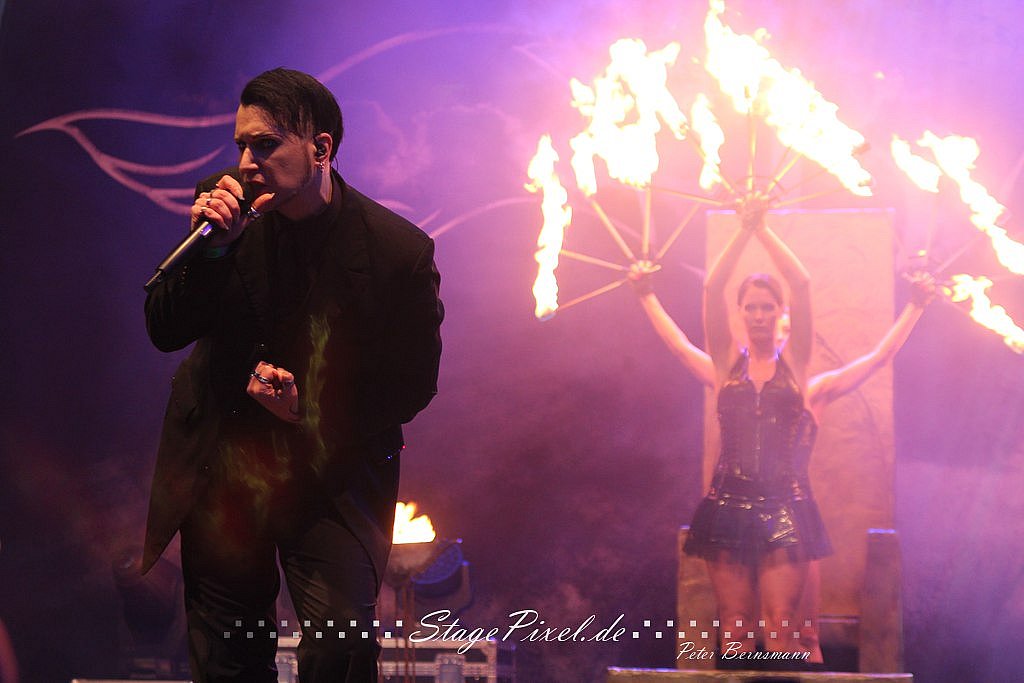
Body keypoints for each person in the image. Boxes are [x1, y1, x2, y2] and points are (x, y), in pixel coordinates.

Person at [142, 68, 443, 683]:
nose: (246, 163)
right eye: (241, 145)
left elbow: (414, 382)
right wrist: (215, 250)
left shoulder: (395, 250)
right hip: (227, 467)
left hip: (331, 473)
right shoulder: (224, 209)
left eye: (266, 144)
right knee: (227, 655)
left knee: (339, 644)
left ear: (320, 148)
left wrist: (307, 405)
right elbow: (165, 328)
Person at [630, 195, 934, 666]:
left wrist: (762, 228)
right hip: (728, 502)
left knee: (779, 626)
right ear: (740, 313)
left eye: (767, 307)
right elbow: (702, 303)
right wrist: (649, 292)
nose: (758, 315)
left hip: (784, 506)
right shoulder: (724, 367)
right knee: (733, 626)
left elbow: (806, 287)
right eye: (751, 307)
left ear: (779, 313)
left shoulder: (797, 365)